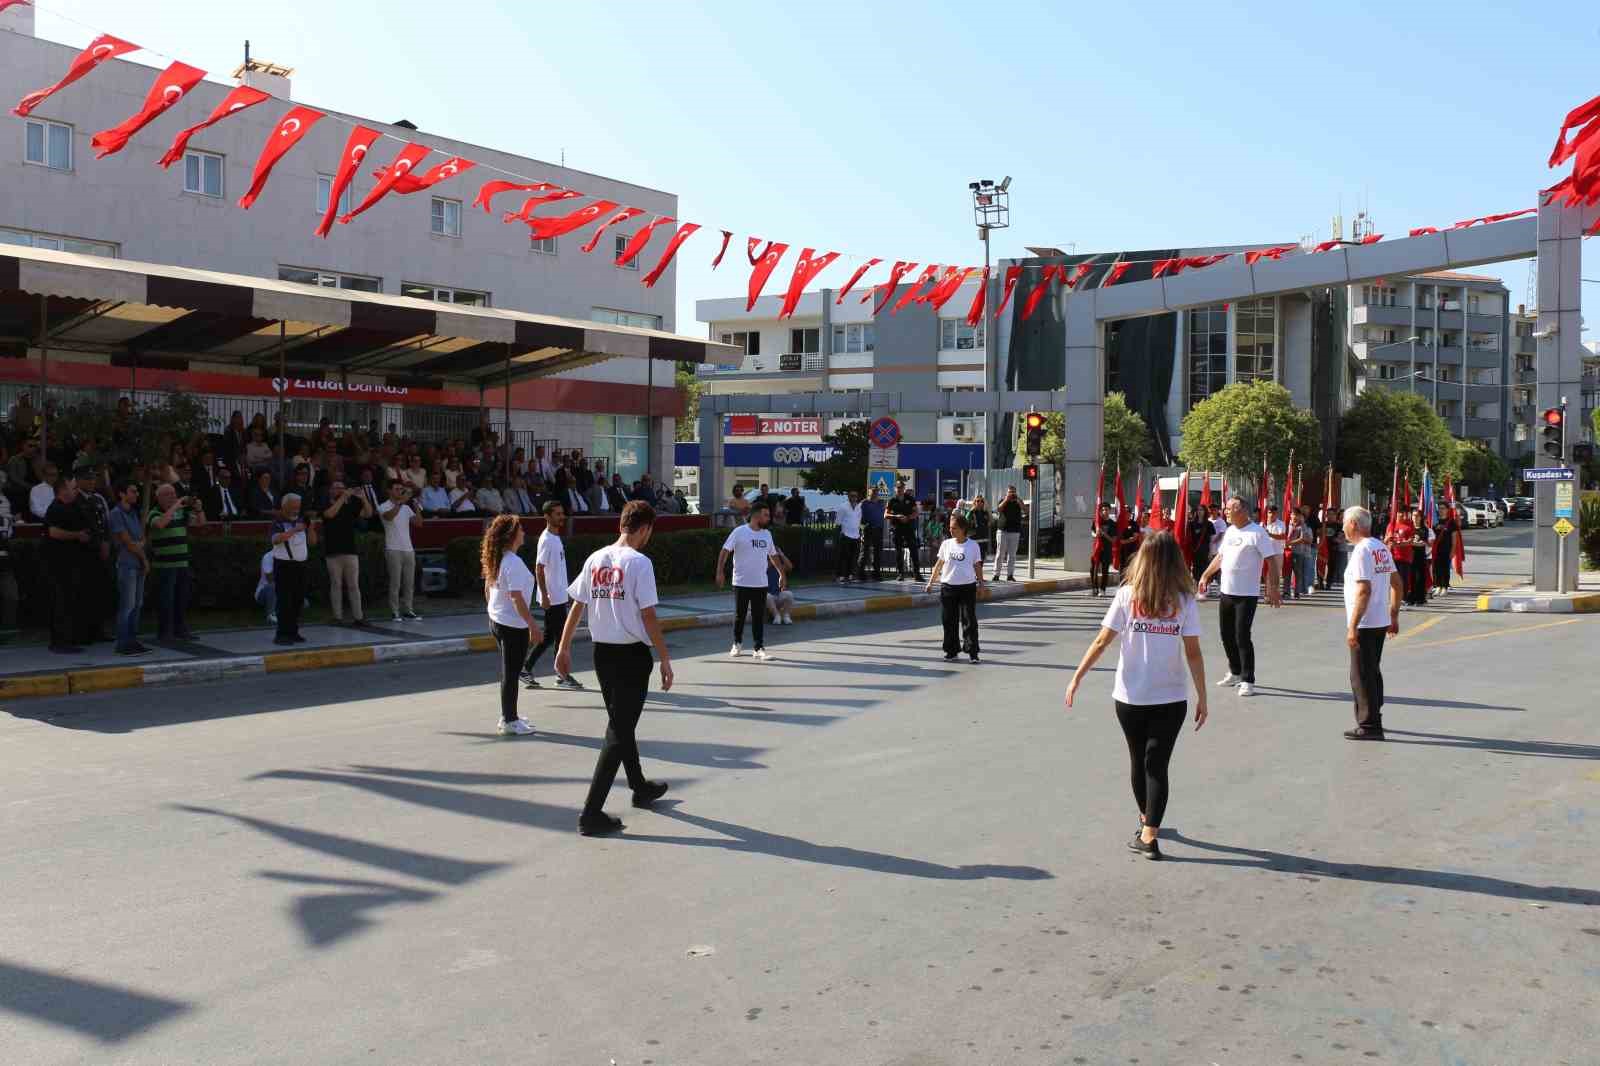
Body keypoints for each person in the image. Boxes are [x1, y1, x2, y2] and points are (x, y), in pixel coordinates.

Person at [1064, 530, 1207, 861]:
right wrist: (1202, 695)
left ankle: (1148, 830)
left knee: (1139, 760)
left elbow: (1102, 641)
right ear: (1175, 562)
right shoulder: (1184, 600)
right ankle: (1149, 825)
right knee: (1156, 765)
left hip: (1131, 696)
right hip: (1171, 698)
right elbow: (1194, 653)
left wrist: (1077, 677)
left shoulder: (1128, 595)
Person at [556, 501, 673, 836]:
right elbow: (649, 616)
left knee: (621, 724)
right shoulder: (640, 563)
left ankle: (639, 786)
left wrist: (563, 648)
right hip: (632, 657)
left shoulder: (596, 557)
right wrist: (665, 658)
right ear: (645, 528)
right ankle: (591, 813)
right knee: (618, 731)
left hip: (602, 655)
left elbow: (577, 604)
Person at [1196, 496, 1282, 698]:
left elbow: (1271, 562)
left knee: (1242, 636)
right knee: (1226, 635)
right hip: (1227, 592)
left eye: (1228, 508)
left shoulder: (1257, 533)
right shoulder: (1231, 531)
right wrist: (1206, 575)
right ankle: (1235, 672)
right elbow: (1220, 557)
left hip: (1247, 594)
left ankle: (1248, 679)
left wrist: (1274, 588)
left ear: (1242, 510)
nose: (1225, 511)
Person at [1340, 505, 1402, 741]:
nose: (1343, 527)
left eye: (1345, 523)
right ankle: (1374, 713)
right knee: (1371, 671)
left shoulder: (1362, 551)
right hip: (1379, 620)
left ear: (1354, 524)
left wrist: (1353, 626)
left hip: (1366, 623)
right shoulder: (1380, 547)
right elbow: (1397, 583)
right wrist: (1393, 615)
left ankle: (1369, 725)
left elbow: (1364, 590)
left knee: (1361, 675)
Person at [481, 513, 543, 737]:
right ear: (512, 536)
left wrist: (493, 609)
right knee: (511, 673)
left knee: (511, 672)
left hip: (498, 621)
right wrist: (532, 626)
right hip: (511, 626)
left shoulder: (499, 558)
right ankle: (509, 720)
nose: (524, 532)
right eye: (520, 530)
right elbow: (517, 597)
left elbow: (488, 589)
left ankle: (509, 714)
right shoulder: (512, 562)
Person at [522, 500, 584, 690]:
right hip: (553, 598)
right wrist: (545, 595)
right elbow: (539, 569)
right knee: (555, 636)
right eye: (557, 514)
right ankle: (553, 673)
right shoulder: (547, 539)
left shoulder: (555, 538)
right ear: (547, 517)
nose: (561, 516)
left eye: (562, 513)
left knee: (554, 636)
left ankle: (553, 672)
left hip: (559, 595)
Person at [718, 502, 784, 661]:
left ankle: (758, 648)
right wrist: (719, 571)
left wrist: (782, 573)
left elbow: (773, 555)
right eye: (765, 515)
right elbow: (725, 551)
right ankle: (737, 643)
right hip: (741, 581)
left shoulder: (766, 534)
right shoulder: (739, 532)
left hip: (760, 583)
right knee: (739, 615)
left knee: (758, 616)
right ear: (756, 515)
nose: (769, 518)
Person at [148, 482, 203, 642]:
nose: (173, 496)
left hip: (182, 564)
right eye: (169, 494)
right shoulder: (154, 513)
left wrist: (198, 508)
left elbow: (200, 523)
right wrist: (178, 504)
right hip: (165, 566)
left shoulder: (180, 513)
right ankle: (165, 633)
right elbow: (161, 524)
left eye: (174, 494)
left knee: (181, 599)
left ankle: (180, 630)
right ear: (159, 498)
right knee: (166, 600)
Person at [927, 511, 984, 662]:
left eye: (954, 528)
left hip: (967, 587)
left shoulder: (973, 546)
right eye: (950, 528)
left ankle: (972, 652)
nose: (951, 530)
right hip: (948, 587)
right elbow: (939, 564)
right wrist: (931, 582)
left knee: (969, 620)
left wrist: (981, 584)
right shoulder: (946, 544)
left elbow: (977, 566)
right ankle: (951, 651)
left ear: (963, 529)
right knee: (949, 620)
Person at [44, 477, 92, 653]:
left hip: (73, 563)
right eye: (73, 488)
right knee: (61, 603)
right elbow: (53, 532)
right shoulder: (55, 508)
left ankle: (72, 639)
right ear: (63, 490)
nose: (76, 490)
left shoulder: (73, 506)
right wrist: (77, 535)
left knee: (71, 601)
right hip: (59, 565)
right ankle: (60, 642)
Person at [106, 480, 151, 655]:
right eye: (132, 491)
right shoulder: (116, 514)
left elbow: (140, 538)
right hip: (127, 564)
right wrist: (144, 559)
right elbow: (129, 543)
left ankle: (133, 639)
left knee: (137, 604)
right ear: (122, 494)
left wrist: (139, 548)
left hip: (137, 564)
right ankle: (123, 642)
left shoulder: (133, 513)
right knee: (128, 605)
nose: (136, 494)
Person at [321, 480, 372, 626]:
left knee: (353, 585)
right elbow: (329, 514)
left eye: (341, 488)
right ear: (330, 490)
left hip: (350, 551)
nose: (339, 490)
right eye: (336, 487)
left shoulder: (351, 506)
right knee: (336, 584)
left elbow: (368, 513)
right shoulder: (326, 503)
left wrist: (362, 497)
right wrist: (343, 498)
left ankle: (358, 617)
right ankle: (337, 617)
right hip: (332, 552)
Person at [268, 494, 315, 645]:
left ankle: (293, 631)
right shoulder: (278, 522)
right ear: (285, 506)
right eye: (294, 505)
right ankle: (281, 634)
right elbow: (275, 539)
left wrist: (311, 528)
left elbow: (312, 542)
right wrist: (294, 530)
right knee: (284, 601)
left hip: (300, 566)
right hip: (284, 566)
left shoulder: (302, 520)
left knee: (298, 600)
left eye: (298, 505)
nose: (297, 508)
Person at [379, 482, 423, 621]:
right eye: (397, 489)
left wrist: (416, 508)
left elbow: (419, 523)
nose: (400, 491)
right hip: (393, 548)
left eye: (401, 489)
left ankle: (408, 610)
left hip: (408, 548)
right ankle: (394, 611)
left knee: (409, 583)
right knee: (395, 582)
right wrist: (400, 503)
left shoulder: (406, 507)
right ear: (389, 491)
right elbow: (389, 517)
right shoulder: (384, 506)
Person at [888, 484, 922, 581]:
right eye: (898, 488)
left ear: (904, 489)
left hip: (909, 528)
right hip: (897, 528)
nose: (900, 489)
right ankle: (900, 574)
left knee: (914, 550)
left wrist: (908, 518)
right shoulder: (892, 500)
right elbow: (886, 514)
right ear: (895, 489)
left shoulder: (910, 499)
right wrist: (897, 517)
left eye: (901, 488)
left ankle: (917, 574)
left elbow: (916, 513)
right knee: (899, 552)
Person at [1385, 508, 1416, 611]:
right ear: (1396, 513)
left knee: (1403, 580)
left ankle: (1403, 599)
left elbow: (1411, 541)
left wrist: (1398, 544)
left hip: (1405, 557)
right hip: (1392, 557)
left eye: (1404, 513)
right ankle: (1393, 600)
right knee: (1392, 580)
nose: (1402, 515)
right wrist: (1388, 539)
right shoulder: (1391, 525)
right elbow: (1386, 540)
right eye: (1400, 513)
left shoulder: (1409, 525)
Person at [994, 486, 1024, 581]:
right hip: (1003, 530)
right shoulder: (1003, 500)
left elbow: (1026, 510)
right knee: (1000, 554)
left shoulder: (1018, 501)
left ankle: (1010, 575)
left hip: (1015, 531)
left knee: (1012, 555)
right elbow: (998, 509)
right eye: (1010, 492)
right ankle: (996, 574)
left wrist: (1019, 501)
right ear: (1006, 493)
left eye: (1013, 492)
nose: (1012, 494)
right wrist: (1006, 500)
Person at [0, 473, 17, 644]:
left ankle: (6, 633)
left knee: (10, 596)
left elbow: (8, 529)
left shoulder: (5, 501)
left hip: (5, 556)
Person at [857, 485, 885, 581]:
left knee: (877, 553)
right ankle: (861, 574)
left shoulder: (881, 503)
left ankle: (876, 574)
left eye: (876, 492)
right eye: (873, 492)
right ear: (869, 492)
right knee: (864, 552)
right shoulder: (864, 503)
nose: (874, 494)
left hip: (878, 529)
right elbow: (857, 517)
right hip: (867, 529)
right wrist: (861, 528)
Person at [1286, 510, 1315, 600]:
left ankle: (1297, 592)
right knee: (1287, 573)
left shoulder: (1302, 526)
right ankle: (1286, 592)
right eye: (1292, 514)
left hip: (1298, 552)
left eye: (1296, 515)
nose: (1294, 517)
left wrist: (1289, 543)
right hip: (1287, 552)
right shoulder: (1288, 525)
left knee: (1297, 573)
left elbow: (1302, 539)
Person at [1404, 509, 1431, 607]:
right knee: (1410, 579)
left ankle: (1420, 599)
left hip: (1419, 557)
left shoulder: (1424, 529)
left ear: (1421, 517)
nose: (1415, 518)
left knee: (1419, 578)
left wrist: (1409, 543)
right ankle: (1410, 598)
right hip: (1408, 557)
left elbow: (1422, 543)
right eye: (1413, 515)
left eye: (1417, 516)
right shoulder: (1408, 528)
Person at [1431, 506, 1458, 597]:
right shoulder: (1435, 522)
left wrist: (1452, 551)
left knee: (1445, 569)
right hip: (1436, 550)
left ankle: (1445, 587)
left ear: (1447, 510)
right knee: (1436, 568)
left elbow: (1454, 538)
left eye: (1443, 508)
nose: (1441, 510)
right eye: (1440, 508)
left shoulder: (1451, 523)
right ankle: (1438, 586)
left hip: (1446, 549)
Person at [765, 547, 796, 626]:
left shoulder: (780, 567)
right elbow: (763, 569)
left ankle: (786, 616)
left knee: (789, 594)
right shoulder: (764, 565)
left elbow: (790, 566)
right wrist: (772, 560)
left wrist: (782, 554)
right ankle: (776, 616)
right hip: (768, 597)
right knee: (767, 596)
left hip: (778, 594)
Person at [1089, 502, 1114, 597]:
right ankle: (1094, 588)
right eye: (1102, 510)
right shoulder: (1097, 522)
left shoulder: (1112, 524)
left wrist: (1104, 534)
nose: (1104, 512)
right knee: (1093, 569)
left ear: (1109, 510)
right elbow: (1092, 531)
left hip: (1106, 550)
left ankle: (1102, 589)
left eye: (1106, 510)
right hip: (1096, 549)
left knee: (1104, 570)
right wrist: (1096, 535)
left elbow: (1113, 539)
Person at [1186, 500, 1213, 586]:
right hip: (1194, 550)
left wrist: (1211, 552)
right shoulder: (1191, 524)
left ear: (1205, 511)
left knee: (1204, 568)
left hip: (1205, 550)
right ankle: (1196, 585)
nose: (1199, 512)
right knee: (1195, 568)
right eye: (1198, 510)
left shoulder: (1209, 524)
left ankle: (1203, 586)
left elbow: (1212, 539)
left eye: (1201, 510)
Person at [255, 549, 277, 626]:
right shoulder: (268, 557)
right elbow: (270, 579)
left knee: (304, 603)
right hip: (264, 593)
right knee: (273, 585)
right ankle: (271, 615)